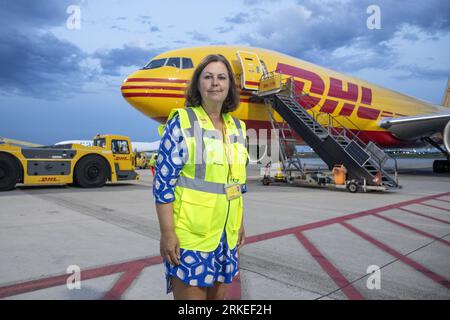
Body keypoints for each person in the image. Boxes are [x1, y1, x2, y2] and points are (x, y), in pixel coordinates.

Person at [153, 54, 248, 300]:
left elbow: (237, 183)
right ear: (198, 84)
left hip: (225, 238)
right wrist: (167, 233)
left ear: (229, 86)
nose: (215, 83)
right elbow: (163, 186)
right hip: (190, 238)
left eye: (221, 77)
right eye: (208, 77)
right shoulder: (182, 123)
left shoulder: (238, 127)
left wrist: (239, 222)